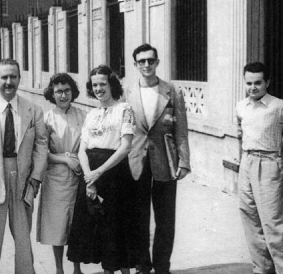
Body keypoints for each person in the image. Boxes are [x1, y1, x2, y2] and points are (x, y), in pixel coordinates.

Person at [0, 58, 48, 274]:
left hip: (23, 179)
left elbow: (41, 146)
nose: (9, 81)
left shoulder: (33, 110)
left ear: (20, 78)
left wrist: (35, 179)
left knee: (23, 240)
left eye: (13, 76)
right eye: (4, 77)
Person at [125, 44, 191, 274]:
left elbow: (181, 129)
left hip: (166, 160)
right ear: (135, 64)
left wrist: (184, 161)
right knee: (138, 217)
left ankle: (162, 266)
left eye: (150, 60)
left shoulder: (172, 91)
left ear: (157, 62)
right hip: (136, 160)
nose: (146, 65)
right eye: (141, 61)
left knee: (165, 219)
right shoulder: (127, 92)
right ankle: (142, 266)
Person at [67, 65, 136, 274]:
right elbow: (82, 150)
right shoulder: (92, 114)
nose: (98, 89)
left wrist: (98, 173)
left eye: (102, 84)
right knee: (95, 227)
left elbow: (125, 146)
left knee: (116, 227)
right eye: (94, 85)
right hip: (91, 173)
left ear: (111, 85)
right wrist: (89, 177)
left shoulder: (124, 109)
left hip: (115, 173)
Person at [236, 62, 283, 274]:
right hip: (246, 163)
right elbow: (240, 132)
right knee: (250, 218)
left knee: (273, 224)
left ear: (267, 83)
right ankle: (262, 269)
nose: (253, 87)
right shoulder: (241, 106)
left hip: (269, 165)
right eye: (249, 83)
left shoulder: (277, 106)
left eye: (258, 83)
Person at [36, 73, 87, 274]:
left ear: (72, 92)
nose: (63, 95)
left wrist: (79, 161)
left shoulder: (83, 115)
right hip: (55, 177)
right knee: (56, 224)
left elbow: (88, 144)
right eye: (59, 91)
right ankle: (59, 269)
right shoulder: (46, 119)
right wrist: (64, 159)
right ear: (52, 93)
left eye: (67, 91)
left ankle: (77, 268)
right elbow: (40, 152)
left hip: (78, 174)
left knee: (76, 223)